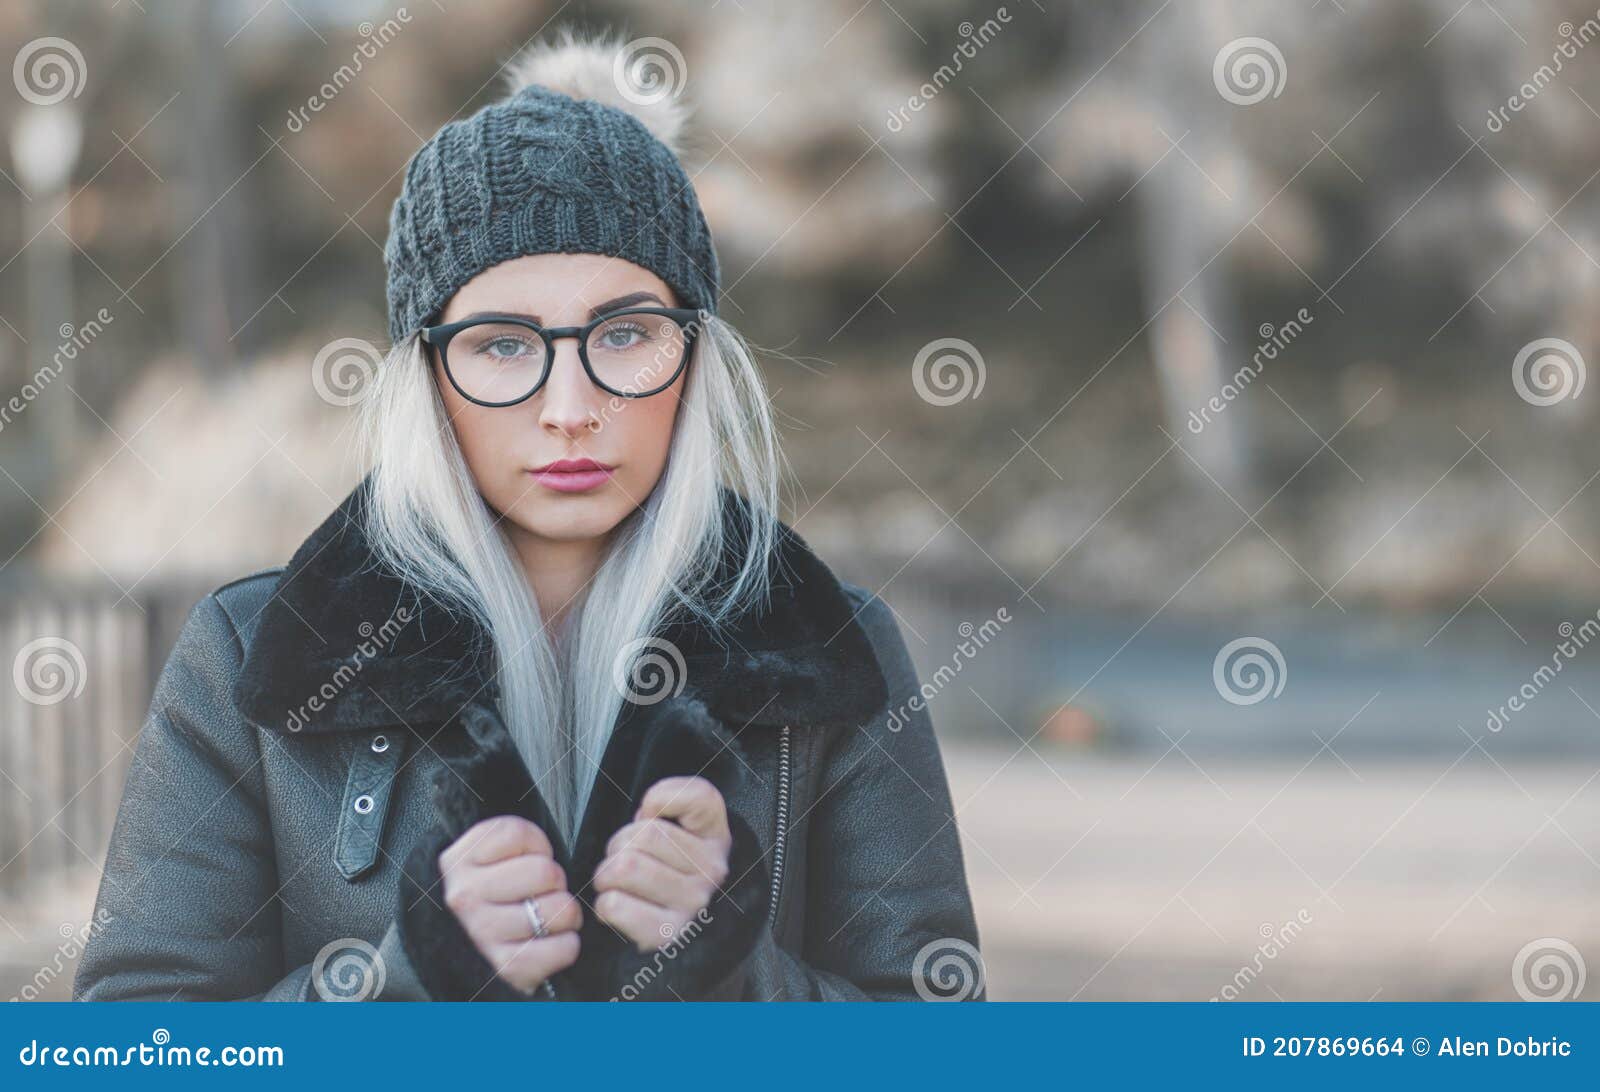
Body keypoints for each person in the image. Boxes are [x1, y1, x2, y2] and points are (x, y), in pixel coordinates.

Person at [73, 27, 981, 1002]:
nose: (569, 406)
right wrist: (403, 979)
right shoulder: (248, 659)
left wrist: (733, 972)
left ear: (696, 359)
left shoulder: (833, 654)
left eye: (625, 334)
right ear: (427, 376)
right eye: (503, 345)